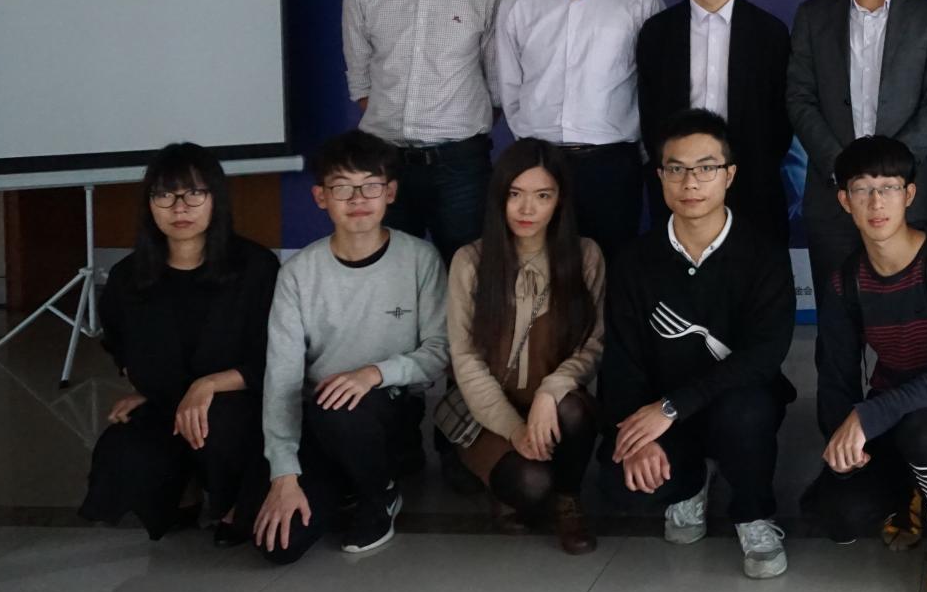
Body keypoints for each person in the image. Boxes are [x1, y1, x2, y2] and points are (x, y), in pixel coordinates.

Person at [603, 109, 796, 579]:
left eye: (706, 168)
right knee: (622, 485)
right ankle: (691, 482)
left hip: (733, 401)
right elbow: (622, 360)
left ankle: (753, 512)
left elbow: (764, 355)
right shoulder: (635, 261)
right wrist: (638, 437)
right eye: (677, 169)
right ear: (660, 176)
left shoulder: (763, 255)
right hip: (665, 408)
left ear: (729, 175)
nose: (691, 182)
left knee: (746, 412)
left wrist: (673, 407)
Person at [253, 131, 449, 562]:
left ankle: (379, 495)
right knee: (279, 545)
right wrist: (284, 473)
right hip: (320, 421)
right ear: (321, 197)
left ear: (390, 193)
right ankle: (345, 481)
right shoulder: (297, 273)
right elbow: (282, 377)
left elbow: (438, 353)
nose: (358, 199)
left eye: (371, 186)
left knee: (339, 410)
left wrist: (373, 374)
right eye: (342, 187)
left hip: (389, 408)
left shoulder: (419, 259)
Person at [808, 135, 927, 592]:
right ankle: (914, 491)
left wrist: (869, 416)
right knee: (839, 514)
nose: (876, 202)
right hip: (890, 410)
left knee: (924, 435)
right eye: (862, 189)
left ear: (909, 195)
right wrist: (843, 442)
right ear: (844, 201)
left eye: (888, 188)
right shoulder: (846, 281)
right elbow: (837, 377)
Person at [79, 143, 278, 546]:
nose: (179, 208)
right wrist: (147, 388)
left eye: (194, 194)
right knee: (123, 446)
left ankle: (234, 501)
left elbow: (277, 357)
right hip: (167, 402)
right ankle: (183, 493)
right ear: (149, 205)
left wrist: (206, 386)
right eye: (164, 195)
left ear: (215, 198)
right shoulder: (128, 277)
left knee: (215, 422)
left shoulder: (255, 267)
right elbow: (118, 341)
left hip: (239, 402)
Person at [787, 0, 927, 329]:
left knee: (909, 323)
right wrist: (842, 168)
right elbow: (799, 97)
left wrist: (890, 173)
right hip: (833, 196)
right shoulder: (813, 15)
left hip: (905, 197)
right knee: (835, 323)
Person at [341, 0, 507, 266]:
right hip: (384, 164)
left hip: (461, 166)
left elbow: (498, 89)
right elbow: (361, 84)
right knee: (389, 270)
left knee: (467, 270)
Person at [494, 0, 665, 265]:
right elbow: (509, 88)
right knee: (540, 271)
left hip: (612, 166)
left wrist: (633, 156)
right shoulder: (519, 3)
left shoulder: (638, 0)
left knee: (612, 269)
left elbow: (654, 88)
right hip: (539, 165)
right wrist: (534, 150)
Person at [446, 139, 605, 555]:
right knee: (531, 485)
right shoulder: (470, 261)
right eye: (515, 194)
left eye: (542, 196)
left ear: (560, 200)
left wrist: (551, 390)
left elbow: (592, 345)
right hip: (487, 411)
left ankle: (569, 500)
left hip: (552, 402)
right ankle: (504, 479)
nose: (527, 209)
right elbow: (465, 359)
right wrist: (513, 429)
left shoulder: (586, 256)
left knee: (574, 409)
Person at [637, 0, 792, 245]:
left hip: (752, 180)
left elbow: (781, 120)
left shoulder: (770, 32)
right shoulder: (657, 32)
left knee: (753, 270)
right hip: (680, 182)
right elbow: (649, 115)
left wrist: (747, 164)